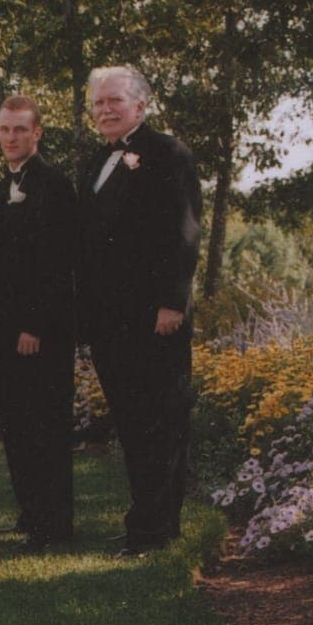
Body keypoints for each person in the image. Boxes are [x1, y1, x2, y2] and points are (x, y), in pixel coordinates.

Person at [78, 66, 202, 556]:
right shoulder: (94, 162)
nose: (105, 109)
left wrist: (172, 301)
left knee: (160, 422)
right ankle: (148, 520)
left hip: (156, 317)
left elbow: (184, 230)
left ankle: (154, 529)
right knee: (131, 423)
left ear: (140, 106)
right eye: (98, 103)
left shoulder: (168, 153)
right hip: (111, 321)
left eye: (115, 101)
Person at [0, 95, 76, 549]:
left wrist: (35, 325)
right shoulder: (0, 189)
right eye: (4, 129)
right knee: (17, 423)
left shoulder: (55, 186)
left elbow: (58, 264)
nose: (11, 137)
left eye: (20, 129)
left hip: (41, 330)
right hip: (6, 328)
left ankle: (53, 524)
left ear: (37, 132)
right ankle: (31, 511)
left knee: (45, 425)